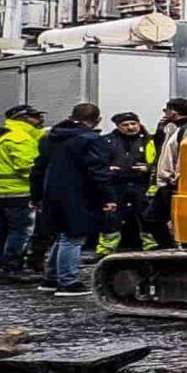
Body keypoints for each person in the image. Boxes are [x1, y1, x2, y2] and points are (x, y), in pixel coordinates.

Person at [30, 102, 117, 297]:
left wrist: (36, 195)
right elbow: (97, 171)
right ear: (97, 120)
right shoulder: (90, 140)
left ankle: (51, 279)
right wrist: (108, 197)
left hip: (52, 193)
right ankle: (67, 282)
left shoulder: (49, 138)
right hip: (80, 194)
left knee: (62, 235)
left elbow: (37, 168)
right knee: (74, 237)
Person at [0, 105, 44, 282]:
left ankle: (0, 266)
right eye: (36, 117)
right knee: (21, 230)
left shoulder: (0, 133)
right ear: (25, 118)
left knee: (0, 230)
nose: (39, 120)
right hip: (17, 192)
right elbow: (25, 166)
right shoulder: (21, 137)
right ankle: (12, 268)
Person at [103, 113, 155, 254]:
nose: (130, 127)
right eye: (125, 125)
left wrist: (148, 168)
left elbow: (159, 161)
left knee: (147, 216)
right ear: (118, 126)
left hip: (142, 184)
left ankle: (152, 246)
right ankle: (106, 249)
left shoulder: (150, 140)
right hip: (116, 184)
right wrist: (108, 169)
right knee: (112, 218)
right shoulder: (107, 141)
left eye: (133, 123)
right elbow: (98, 162)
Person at [146, 98, 187, 247]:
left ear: (173, 112)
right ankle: (171, 248)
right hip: (168, 182)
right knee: (152, 219)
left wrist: (175, 178)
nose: (164, 113)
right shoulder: (173, 128)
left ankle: (180, 249)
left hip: (174, 183)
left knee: (160, 219)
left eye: (165, 110)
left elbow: (183, 157)